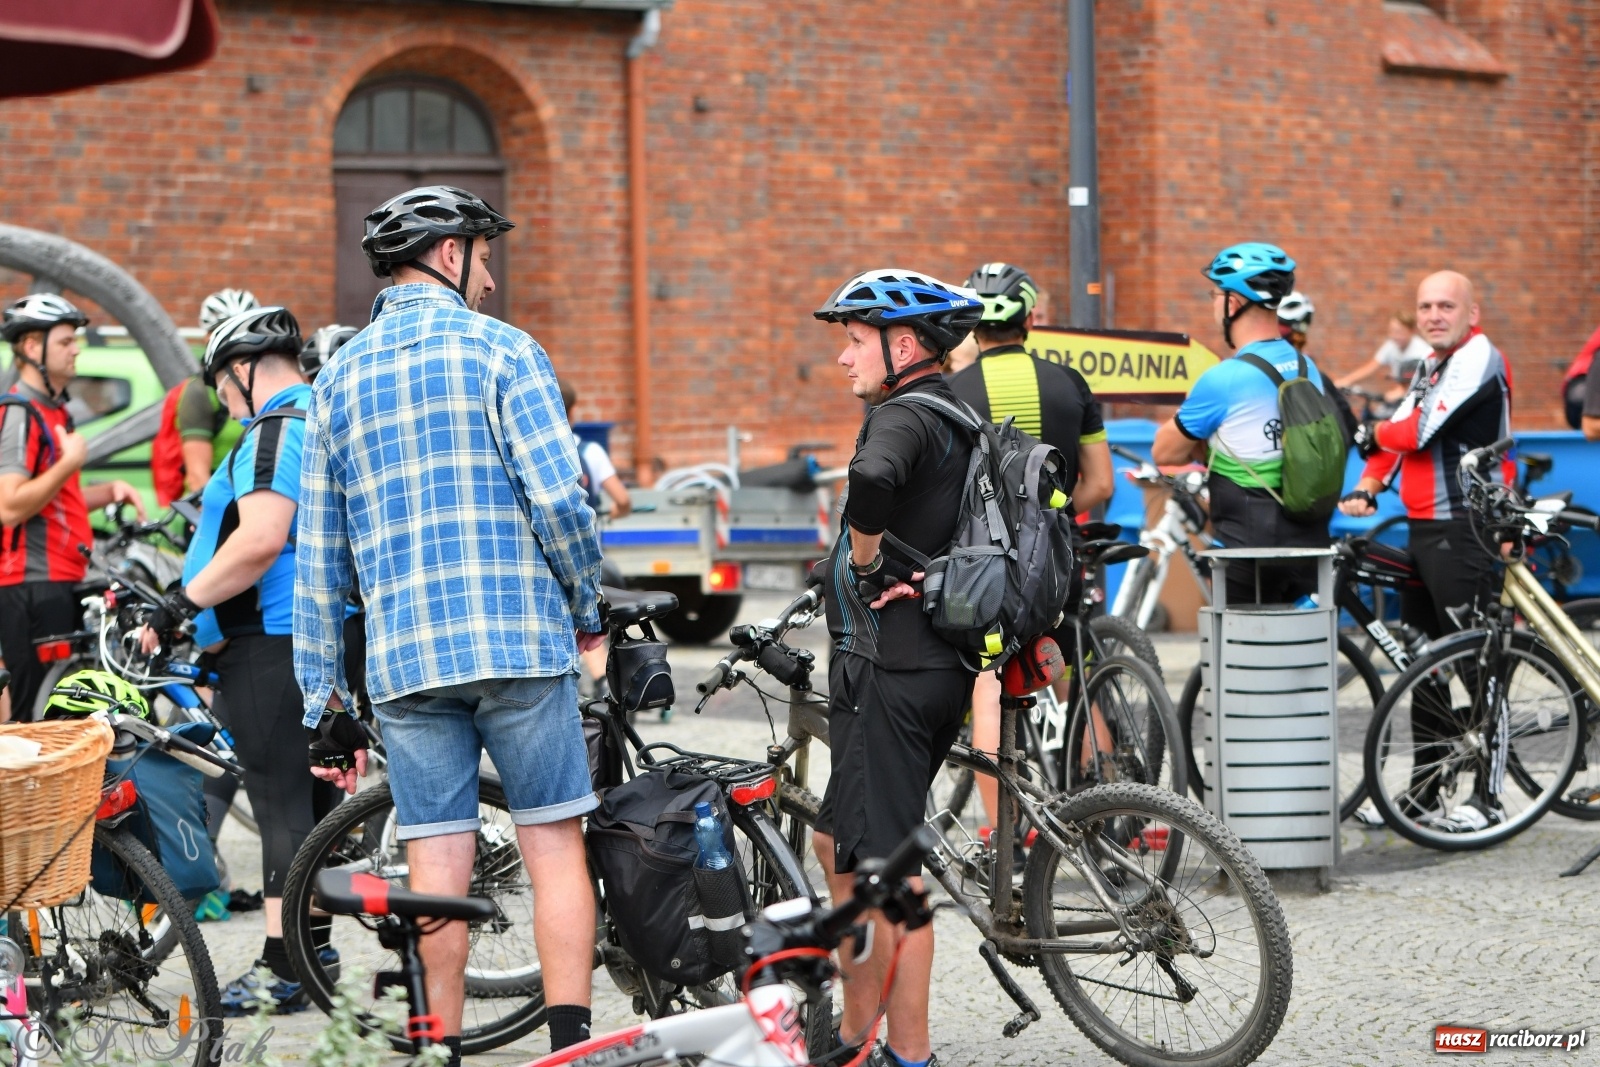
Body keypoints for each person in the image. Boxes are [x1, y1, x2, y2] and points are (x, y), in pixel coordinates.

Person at [294, 185, 604, 1066]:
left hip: (407, 659)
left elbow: (319, 558)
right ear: (449, 253)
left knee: (435, 866)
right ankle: (570, 1047)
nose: (491, 280)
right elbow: (560, 500)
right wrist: (587, 607)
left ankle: (443, 1053)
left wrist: (322, 696)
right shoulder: (505, 350)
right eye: (485, 257)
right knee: (553, 844)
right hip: (518, 640)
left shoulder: (335, 381)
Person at [138, 305, 342, 1012]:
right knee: (312, 806)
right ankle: (315, 954)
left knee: (282, 807)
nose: (224, 402)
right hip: (314, 635)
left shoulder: (275, 430)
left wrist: (180, 604)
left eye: (223, 386)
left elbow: (259, 540)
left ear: (245, 370)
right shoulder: (321, 417)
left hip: (270, 641)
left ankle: (284, 968)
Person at [812, 267, 983, 1067]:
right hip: (928, 664)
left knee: (888, 874)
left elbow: (873, 479)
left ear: (904, 344)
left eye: (855, 340)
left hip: (892, 670)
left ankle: (903, 1054)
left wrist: (864, 559)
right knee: (834, 844)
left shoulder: (903, 414)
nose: (844, 357)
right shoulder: (956, 411)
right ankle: (856, 1029)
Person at [1338, 270, 1512, 830]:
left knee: (1478, 667)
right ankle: (1424, 793)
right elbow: (1398, 435)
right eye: (1426, 307)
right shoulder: (1430, 365)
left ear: (1471, 313)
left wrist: (1369, 433)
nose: (1434, 315)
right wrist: (1368, 484)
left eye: (1446, 306)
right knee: (1423, 667)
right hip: (1423, 529)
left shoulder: (1478, 356)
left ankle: (1489, 800)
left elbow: (1414, 431)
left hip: (1467, 527)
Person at [948, 261, 1112, 836]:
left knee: (986, 685)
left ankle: (1004, 841)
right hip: (1056, 562)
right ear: (1032, 319)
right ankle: (1109, 807)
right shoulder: (1069, 384)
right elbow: (1102, 484)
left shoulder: (952, 394)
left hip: (985, 571)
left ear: (972, 326)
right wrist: (1053, 516)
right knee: (1068, 671)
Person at [1151, 243, 1332, 605]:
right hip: (1309, 542)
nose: (1214, 304)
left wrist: (1204, 442)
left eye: (1216, 295)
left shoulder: (1225, 378)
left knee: (1240, 642)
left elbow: (1164, 451)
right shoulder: (1305, 367)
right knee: (1304, 639)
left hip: (1247, 549)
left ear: (1233, 303)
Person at [0, 294, 143, 723]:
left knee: (58, 712)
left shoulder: (55, 412)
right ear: (31, 347)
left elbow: (54, 499)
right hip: (32, 584)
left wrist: (109, 490)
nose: (76, 349)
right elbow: (9, 505)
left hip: (59, 580)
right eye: (65, 342)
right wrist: (69, 462)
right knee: (35, 717)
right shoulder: (20, 413)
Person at [152, 289, 255, 505]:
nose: (235, 340)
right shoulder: (200, 392)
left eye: (243, 330)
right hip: (220, 507)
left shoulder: (263, 383)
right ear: (208, 338)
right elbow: (197, 477)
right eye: (224, 331)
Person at [1334, 308, 1433, 400]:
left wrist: (1400, 391)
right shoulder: (1392, 345)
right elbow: (1371, 367)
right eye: (1392, 331)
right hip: (1399, 396)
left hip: (1416, 398)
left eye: (1399, 332)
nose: (1395, 336)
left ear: (1411, 331)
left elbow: (1420, 381)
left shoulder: (1421, 351)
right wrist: (1347, 380)